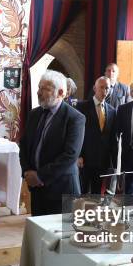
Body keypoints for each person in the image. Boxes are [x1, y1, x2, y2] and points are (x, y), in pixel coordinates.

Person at [19, 70, 85, 216]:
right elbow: (24, 145)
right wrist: (27, 172)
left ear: (60, 92)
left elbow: (70, 155)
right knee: (40, 234)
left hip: (62, 189)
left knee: (61, 236)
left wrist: (40, 176)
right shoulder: (34, 114)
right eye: (39, 87)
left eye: (45, 89)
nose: (38, 92)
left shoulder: (75, 118)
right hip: (37, 189)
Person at [77, 76, 118, 195]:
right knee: (82, 192)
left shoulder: (112, 111)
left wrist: (114, 163)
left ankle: (92, 214)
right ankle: (80, 214)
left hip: (102, 160)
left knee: (96, 193)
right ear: (95, 88)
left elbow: (112, 139)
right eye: (101, 87)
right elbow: (77, 135)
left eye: (107, 88)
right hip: (84, 159)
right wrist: (78, 155)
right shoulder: (82, 107)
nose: (104, 91)